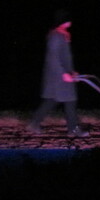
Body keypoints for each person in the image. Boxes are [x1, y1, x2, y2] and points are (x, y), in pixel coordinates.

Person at [27, 9, 88, 137]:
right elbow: (53, 57)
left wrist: (72, 72)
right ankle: (73, 129)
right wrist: (64, 73)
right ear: (64, 20)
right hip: (59, 76)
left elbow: (64, 57)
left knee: (52, 101)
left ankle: (34, 123)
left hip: (61, 75)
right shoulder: (56, 36)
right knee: (70, 100)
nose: (71, 21)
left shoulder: (62, 35)